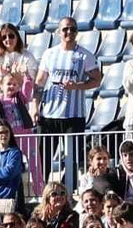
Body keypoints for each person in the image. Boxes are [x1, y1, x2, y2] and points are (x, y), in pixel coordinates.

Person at [33, 18, 101, 185]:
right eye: (65, 29)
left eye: (72, 29)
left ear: (76, 32)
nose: (68, 32)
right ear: (59, 32)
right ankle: (41, 191)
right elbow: (39, 82)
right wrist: (34, 106)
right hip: (49, 114)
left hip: (74, 115)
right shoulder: (49, 54)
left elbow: (97, 80)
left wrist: (77, 86)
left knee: (73, 158)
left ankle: (68, 191)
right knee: (45, 157)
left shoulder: (84, 55)